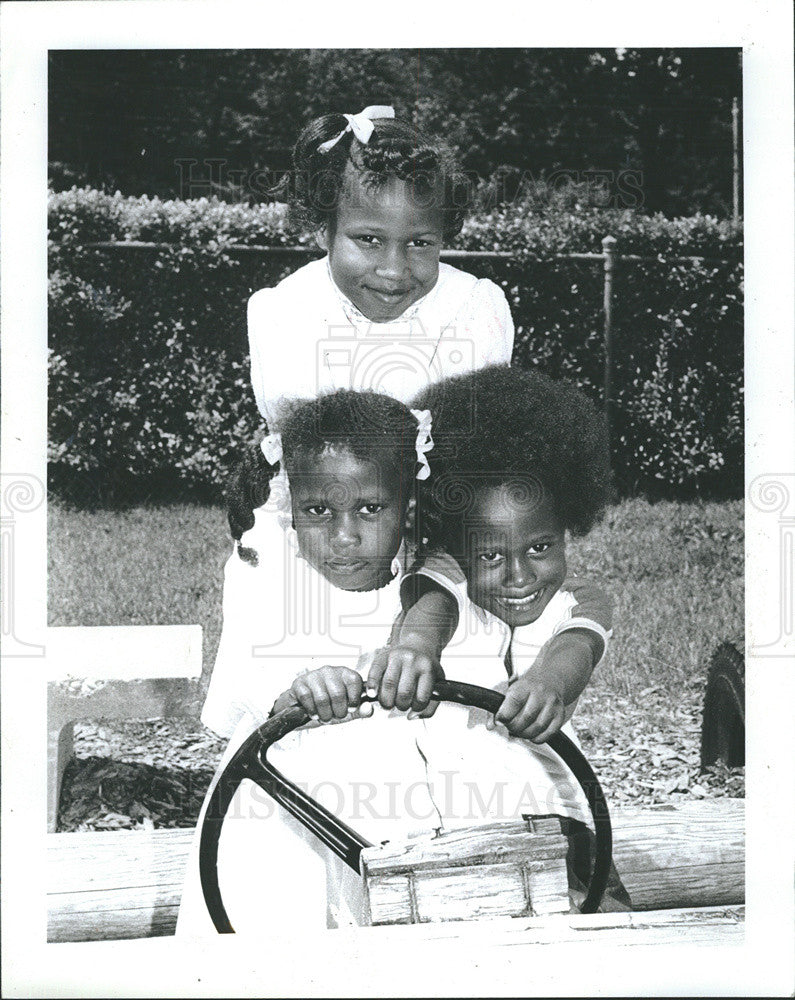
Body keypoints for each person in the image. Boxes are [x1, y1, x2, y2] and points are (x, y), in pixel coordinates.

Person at [177, 389, 447, 935]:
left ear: (406, 503)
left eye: (370, 509)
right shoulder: (266, 570)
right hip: (282, 802)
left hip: (396, 805)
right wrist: (297, 689)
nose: (344, 537)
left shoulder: (426, 584)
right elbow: (251, 681)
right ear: (290, 502)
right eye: (318, 511)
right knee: (278, 925)